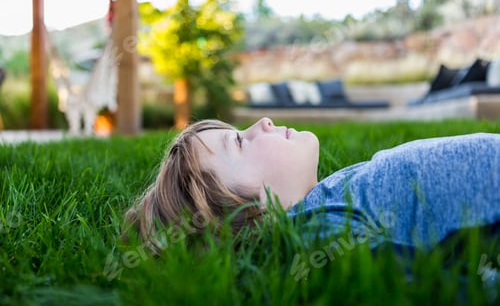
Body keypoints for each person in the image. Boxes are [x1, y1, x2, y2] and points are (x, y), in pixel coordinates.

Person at [124, 117, 500, 252]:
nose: (263, 123)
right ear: (251, 209)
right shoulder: (319, 228)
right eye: (239, 141)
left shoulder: (326, 198)